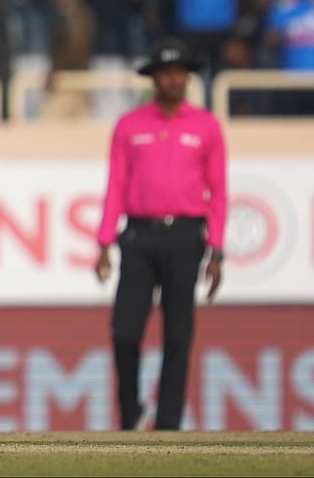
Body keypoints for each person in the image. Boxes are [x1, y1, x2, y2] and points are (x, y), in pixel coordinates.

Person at [94, 37, 227, 431]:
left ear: (187, 76)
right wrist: (104, 242)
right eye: (165, 72)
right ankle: (131, 415)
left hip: (186, 235)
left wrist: (217, 250)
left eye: (179, 71)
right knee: (124, 331)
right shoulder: (130, 125)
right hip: (138, 236)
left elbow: (219, 191)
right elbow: (116, 185)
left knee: (178, 334)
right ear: (154, 78)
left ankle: (168, 425)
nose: (173, 79)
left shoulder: (206, 126)